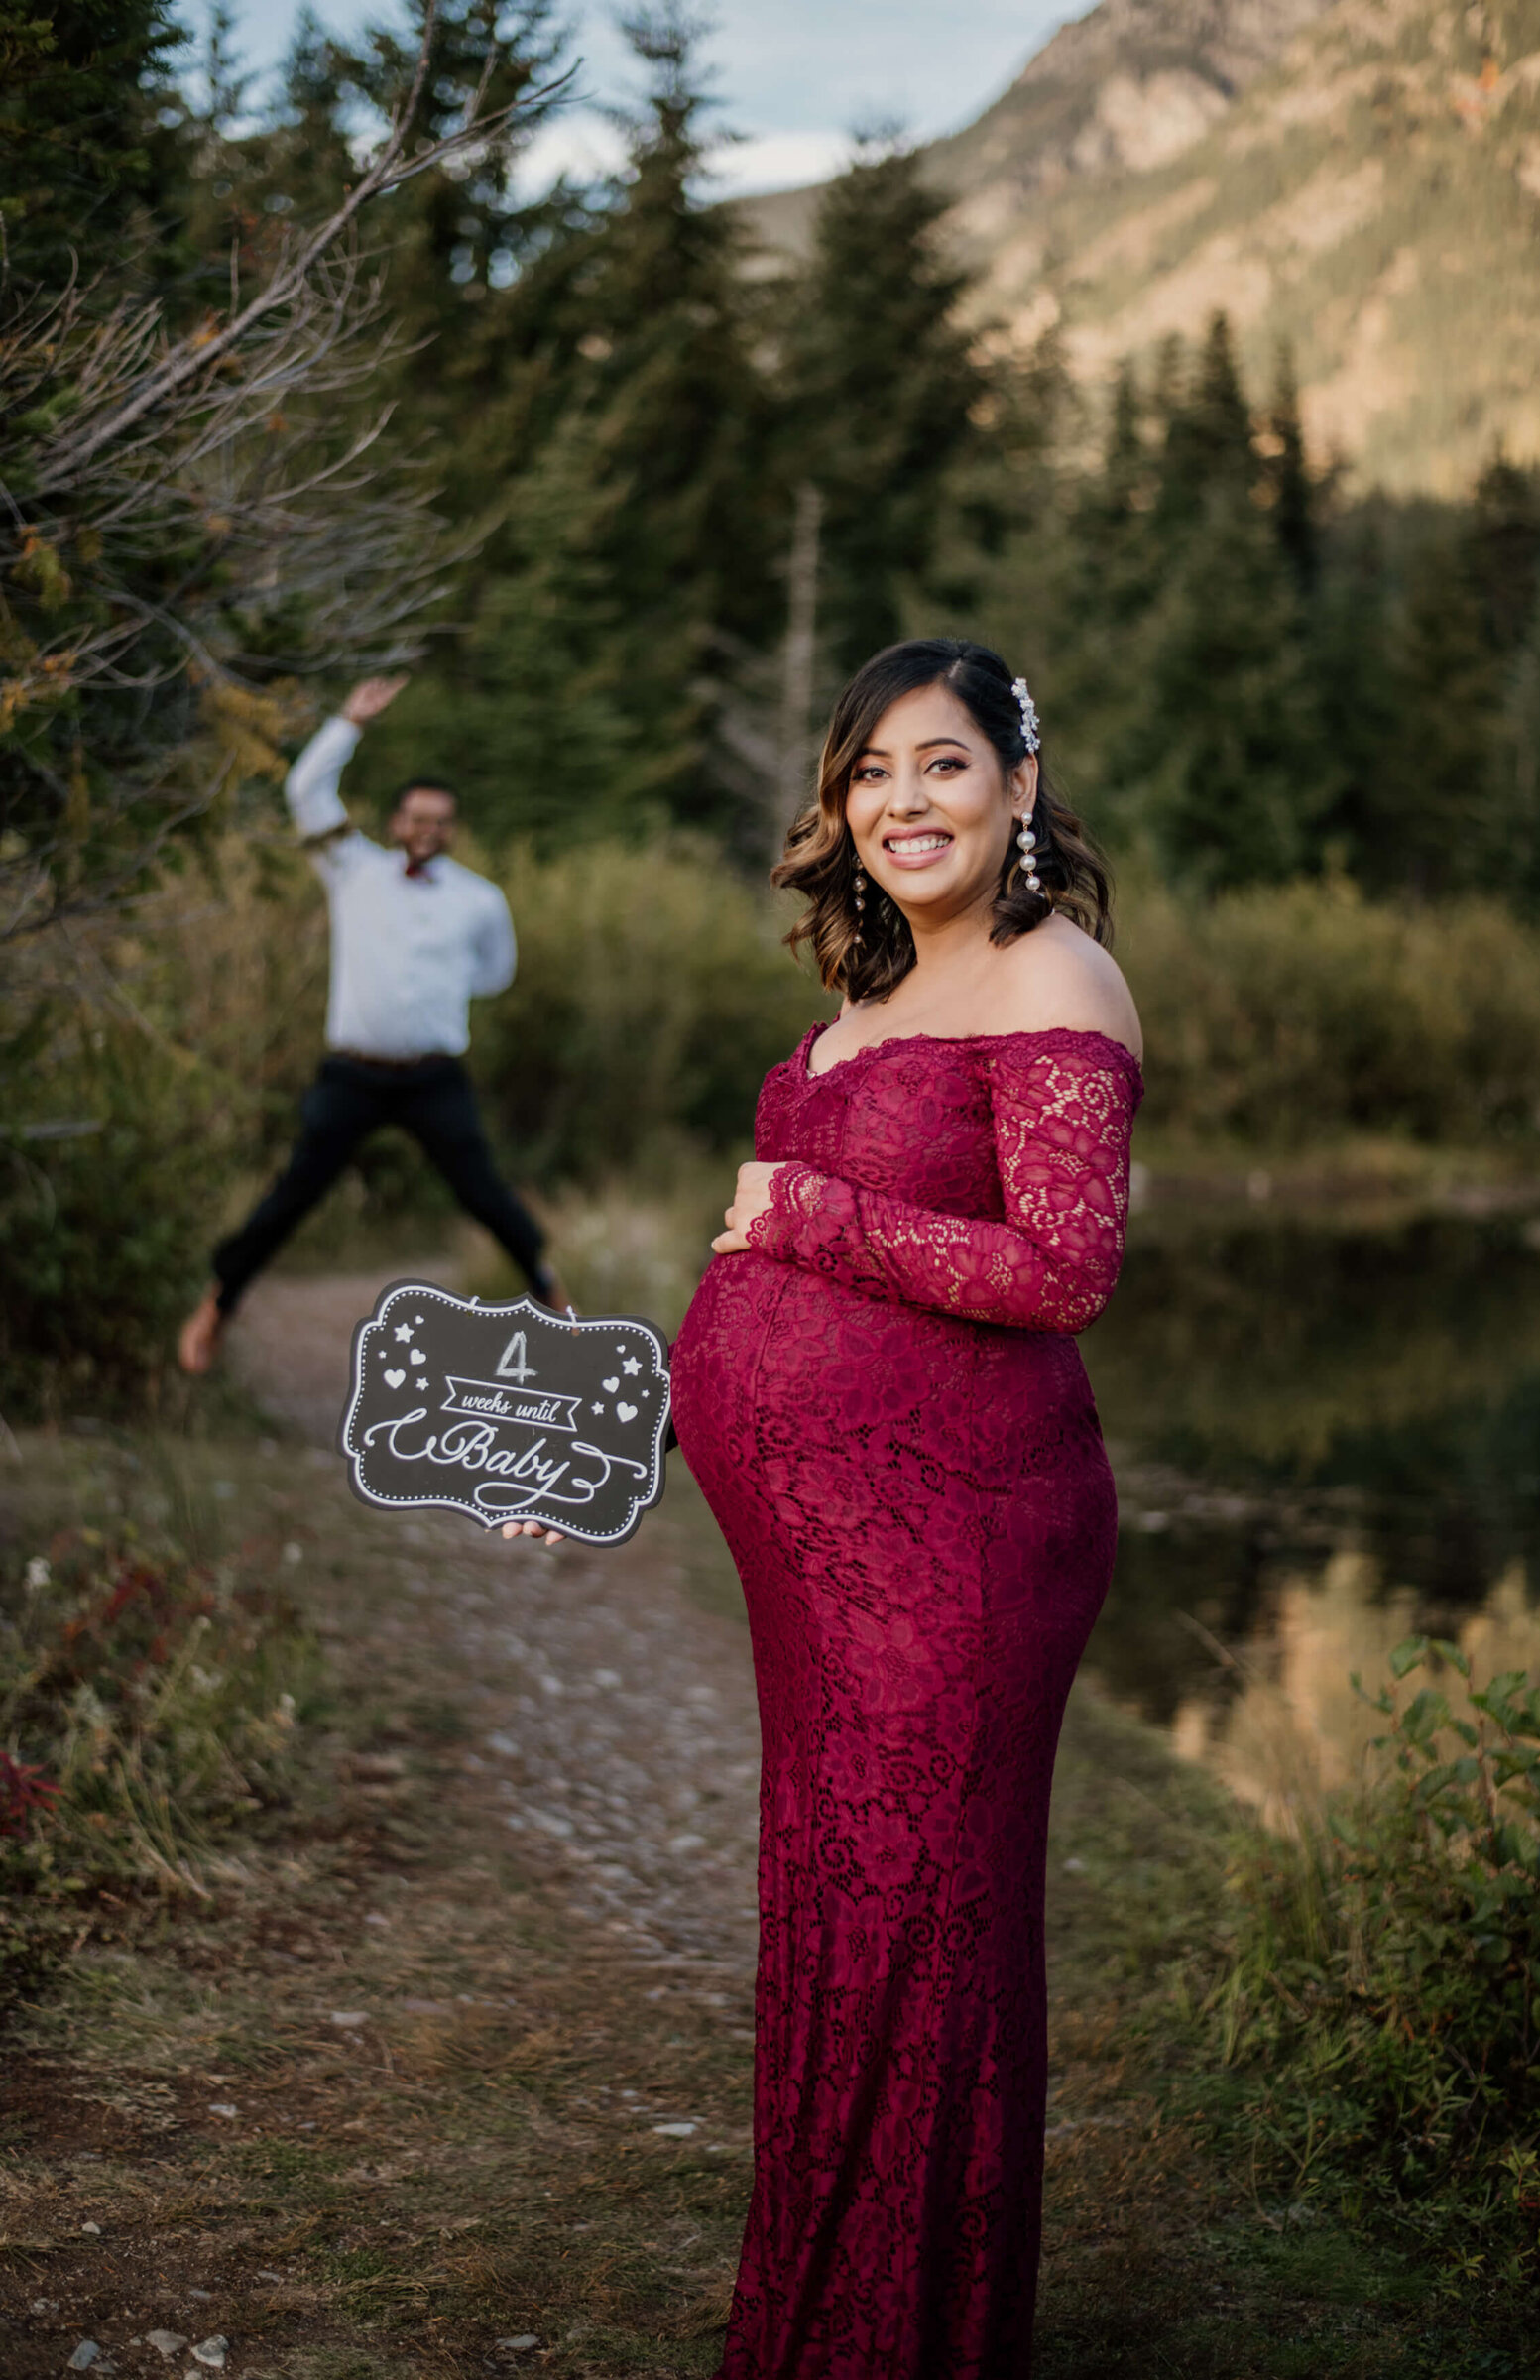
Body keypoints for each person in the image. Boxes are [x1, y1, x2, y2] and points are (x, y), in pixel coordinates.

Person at [508, 637, 1143, 2375]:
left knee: (912, 1942)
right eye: (870, 771)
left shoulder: (1054, 978)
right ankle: (821, 2322)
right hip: (825, 1569)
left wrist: (812, 1220)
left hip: (969, 1542)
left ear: (1018, 785)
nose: (901, 802)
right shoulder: (864, 1001)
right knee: (834, 1933)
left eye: (941, 764)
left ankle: (906, 2337)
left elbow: (1067, 1266)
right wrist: (599, 1455)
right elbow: (753, 1301)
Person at [178, 675, 554, 1375]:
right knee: (293, 1193)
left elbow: (493, 973)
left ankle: (555, 1302)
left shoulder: (479, 899)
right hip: (352, 1073)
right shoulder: (351, 869)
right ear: (394, 822)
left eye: (440, 820)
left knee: (484, 1192)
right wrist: (348, 722)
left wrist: (436, 999)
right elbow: (304, 796)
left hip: (432, 1079)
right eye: (416, 817)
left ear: (452, 828)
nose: (427, 830)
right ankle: (218, 1304)